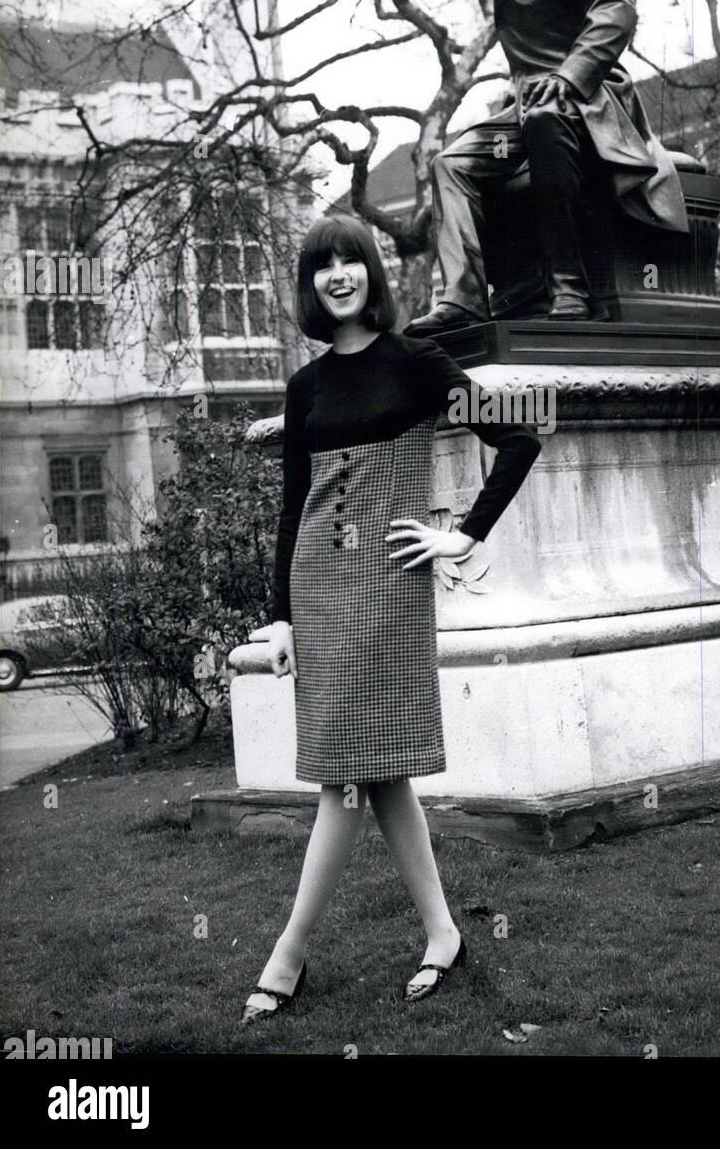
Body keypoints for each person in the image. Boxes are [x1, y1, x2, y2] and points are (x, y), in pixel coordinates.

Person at [241, 213, 541, 1024]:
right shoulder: (304, 387)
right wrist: (281, 619)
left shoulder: (415, 361)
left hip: (385, 586)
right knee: (377, 773)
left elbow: (518, 439)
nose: (339, 274)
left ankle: (288, 955)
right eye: (322, 266)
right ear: (309, 285)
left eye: (351, 260)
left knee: (343, 774)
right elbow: (291, 507)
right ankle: (443, 933)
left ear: (372, 270)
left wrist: (460, 535)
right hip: (319, 584)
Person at [405, 0, 689, 338]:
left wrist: (567, 77)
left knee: (544, 118)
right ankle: (465, 298)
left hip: (589, 100)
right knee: (451, 163)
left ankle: (571, 290)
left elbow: (617, 9)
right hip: (527, 105)